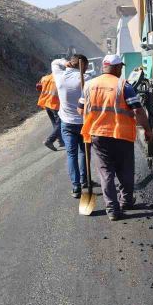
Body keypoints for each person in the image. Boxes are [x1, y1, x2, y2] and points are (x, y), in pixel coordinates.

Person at [79, 54, 153, 221]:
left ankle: (112, 210)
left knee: (106, 172)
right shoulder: (123, 85)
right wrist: (147, 130)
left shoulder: (89, 85)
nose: (121, 69)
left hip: (98, 135)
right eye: (120, 67)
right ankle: (126, 201)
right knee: (125, 169)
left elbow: (80, 110)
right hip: (121, 135)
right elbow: (138, 110)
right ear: (117, 67)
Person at [52, 54, 89, 198]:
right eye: (85, 66)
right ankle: (84, 180)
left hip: (66, 123)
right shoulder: (86, 79)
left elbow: (55, 62)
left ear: (69, 64)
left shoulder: (59, 76)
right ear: (83, 66)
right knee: (83, 152)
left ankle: (76, 186)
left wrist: (63, 62)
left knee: (71, 154)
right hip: (83, 122)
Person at [36, 72, 64, 151]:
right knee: (61, 123)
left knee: (55, 123)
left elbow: (39, 87)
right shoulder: (60, 79)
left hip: (46, 103)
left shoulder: (44, 78)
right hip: (55, 104)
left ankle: (61, 141)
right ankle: (50, 140)